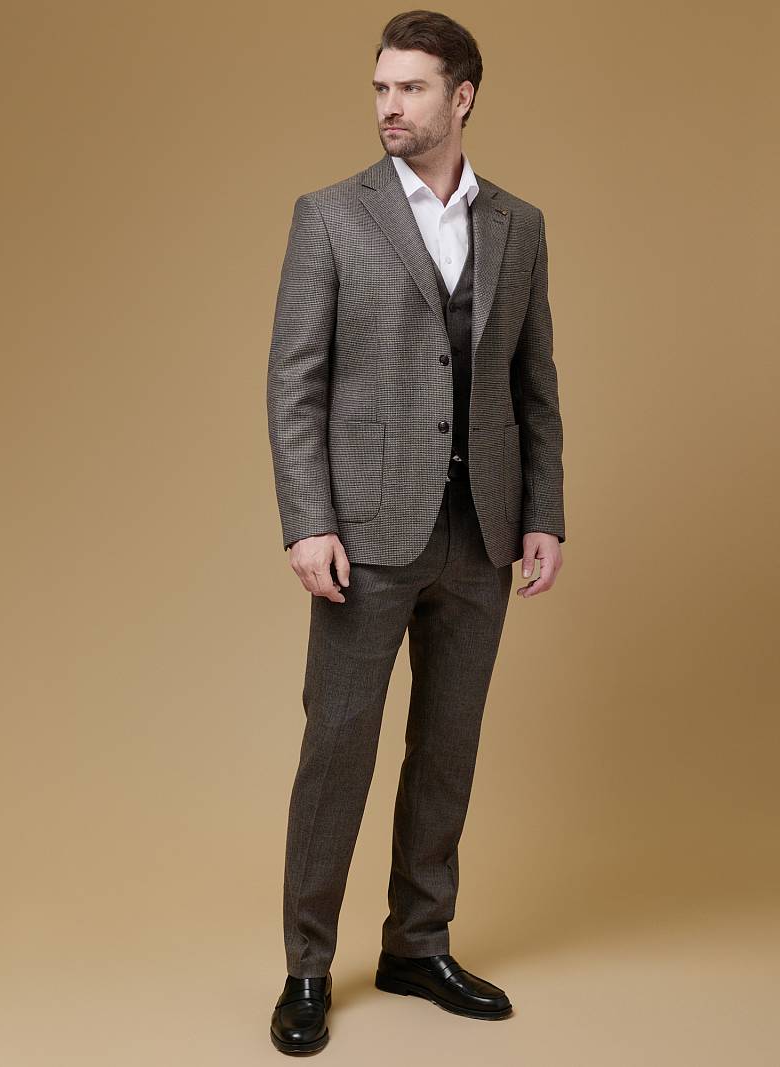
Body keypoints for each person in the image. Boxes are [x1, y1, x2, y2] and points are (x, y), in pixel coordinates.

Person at [266, 10, 565, 1054]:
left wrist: (542, 512)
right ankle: (308, 964)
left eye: (411, 88)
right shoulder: (328, 217)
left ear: (461, 96)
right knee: (336, 749)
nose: (389, 106)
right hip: (365, 535)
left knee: (447, 749)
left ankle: (416, 943)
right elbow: (293, 384)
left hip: (480, 532)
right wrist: (308, 521)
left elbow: (534, 383)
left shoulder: (518, 225)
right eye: (381, 88)